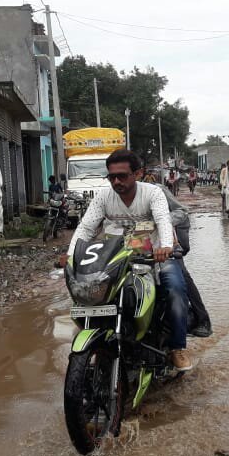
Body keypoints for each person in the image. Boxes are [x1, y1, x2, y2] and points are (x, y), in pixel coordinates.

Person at [67, 149, 195, 371]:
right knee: (90, 292)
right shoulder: (104, 197)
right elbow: (86, 228)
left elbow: (164, 220)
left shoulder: (152, 193)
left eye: (122, 176)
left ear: (138, 173)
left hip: (153, 257)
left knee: (175, 289)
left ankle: (177, 348)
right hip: (113, 258)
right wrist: (71, 256)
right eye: (112, 176)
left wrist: (165, 247)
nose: (116, 181)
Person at [155, 182, 213, 337]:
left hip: (167, 242)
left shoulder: (156, 190)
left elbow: (181, 211)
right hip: (139, 246)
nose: (118, 181)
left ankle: (203, 320)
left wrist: (160, 222)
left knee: (181, 276)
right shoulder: (114, 197)